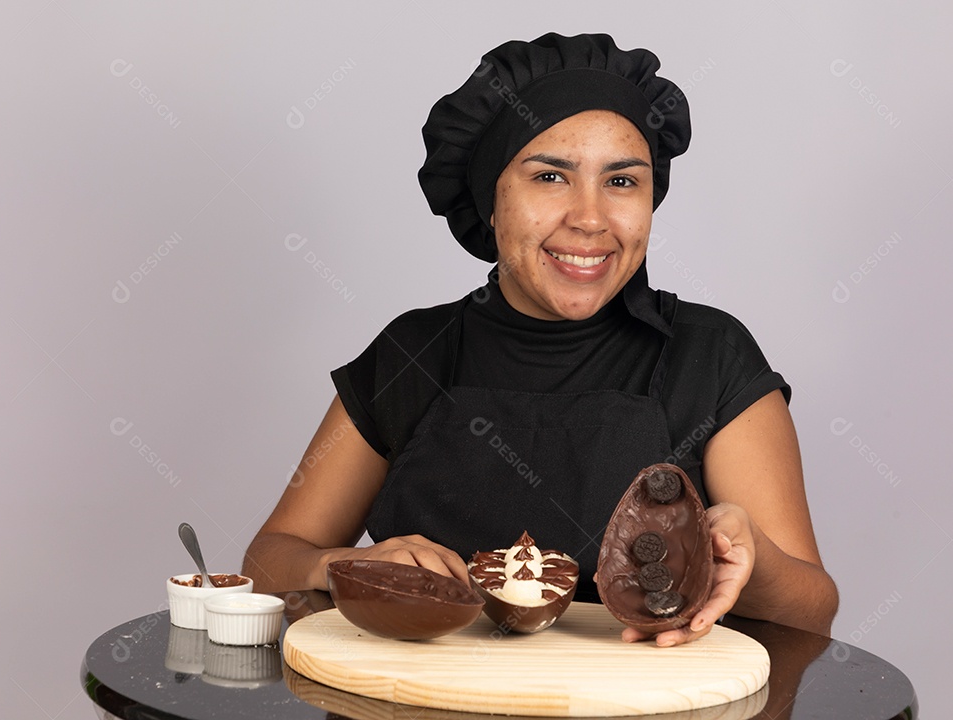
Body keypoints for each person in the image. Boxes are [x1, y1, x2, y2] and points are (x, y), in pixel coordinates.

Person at [244, 32, 838, 646]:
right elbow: (268, 561)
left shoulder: (711, 356)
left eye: (622, 182)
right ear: (492, 202)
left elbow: (813, 611)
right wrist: (340, 564)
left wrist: (752, 560)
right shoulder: (412, 353)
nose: (589, 218)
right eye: (550, 176)